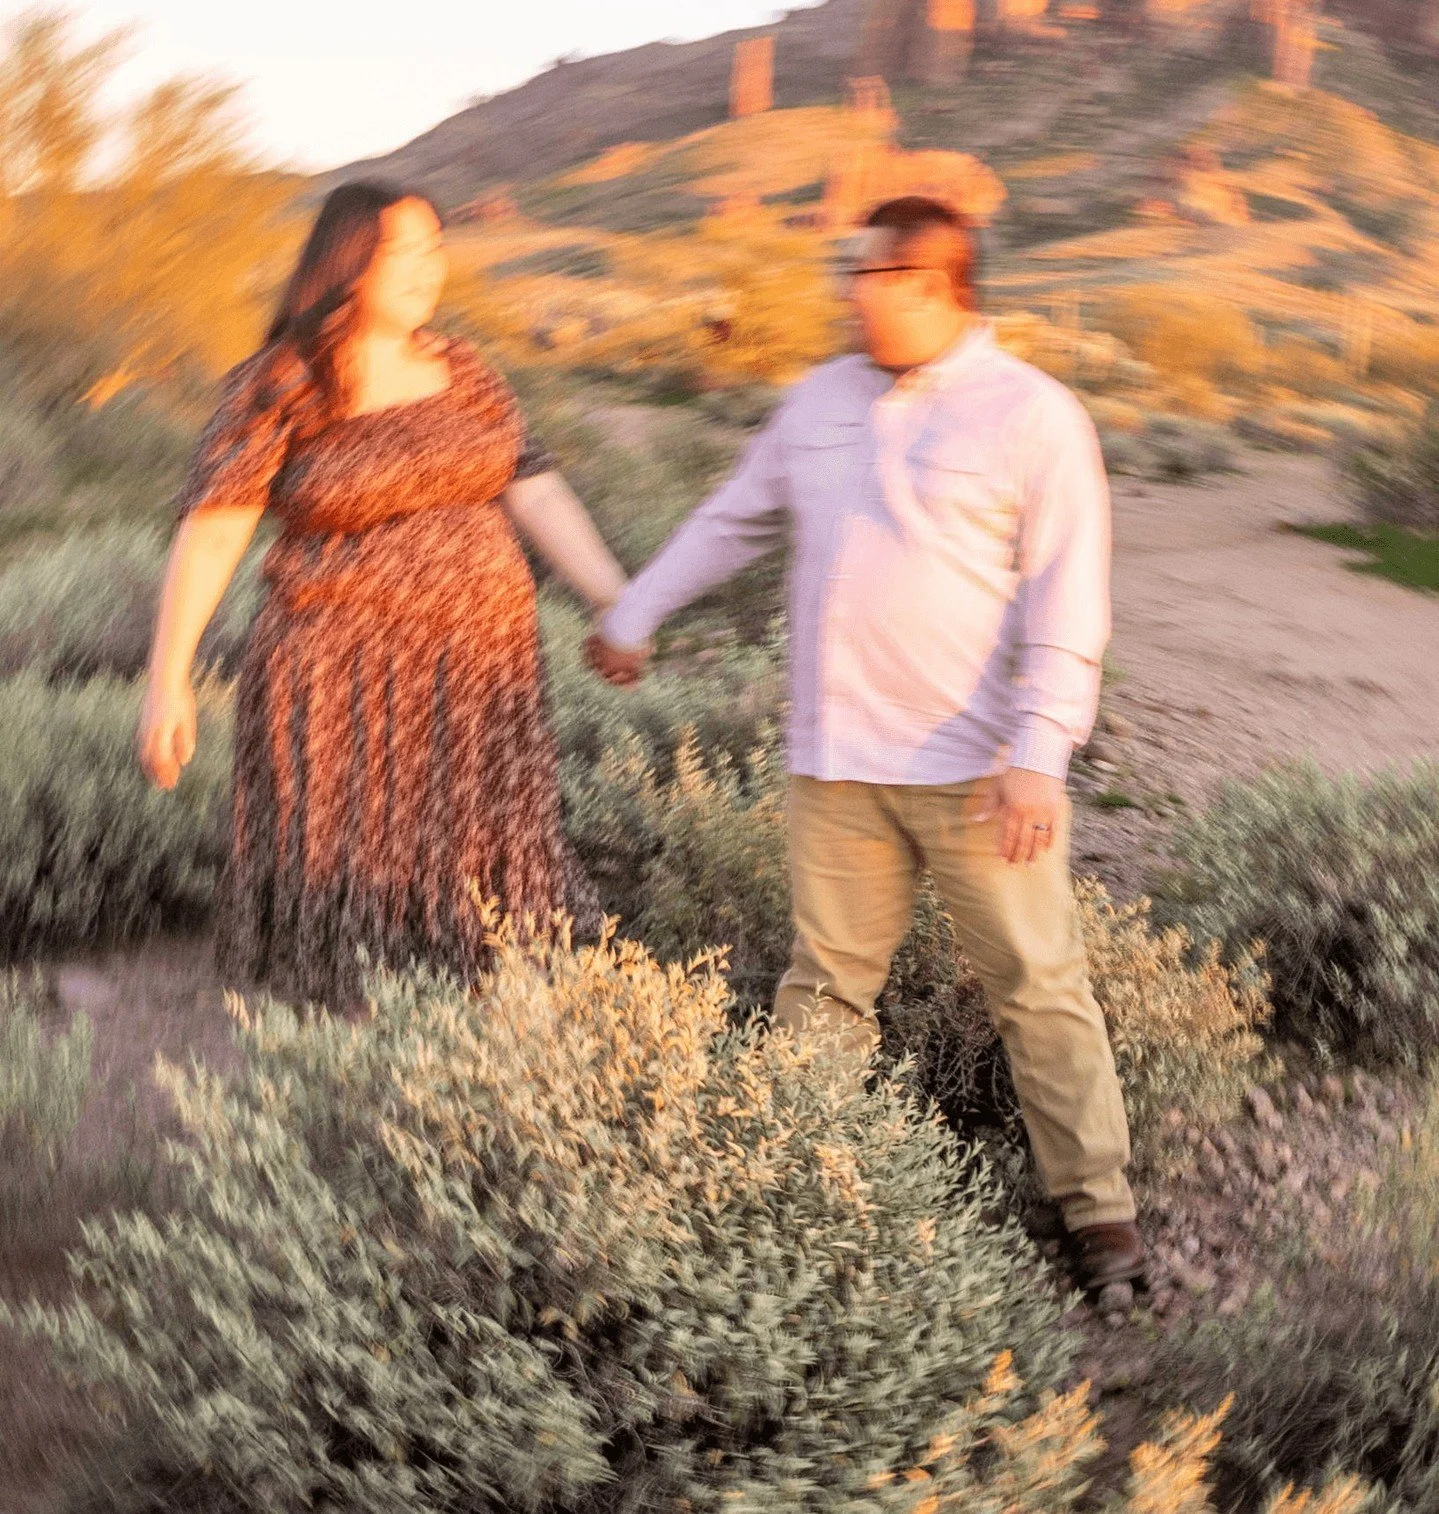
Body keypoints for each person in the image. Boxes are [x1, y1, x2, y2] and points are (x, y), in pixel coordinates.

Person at [586, 194, 1144, 1293]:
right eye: (852, 273)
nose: (851, 291)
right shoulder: (817, 399)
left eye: (871, 275)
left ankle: (1100, 1219)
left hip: (981, 772)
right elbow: (732, 516)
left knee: (1035, 985)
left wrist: (1038, 749)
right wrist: (636, 610)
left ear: (937, 285)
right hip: (834, 759)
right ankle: (795, 1195)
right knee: (826, 983)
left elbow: (1068, 595)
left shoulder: (1031, 414)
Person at [137, 180, 627, 1008]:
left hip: (480, 676)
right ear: (348, 262)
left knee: (480, 852)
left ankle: (480, 1034)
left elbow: (534, 487)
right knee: (350, 859)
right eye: (405, 250)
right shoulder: (283, 379)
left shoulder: (465, 368)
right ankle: (350, 1052)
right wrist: (167, 677)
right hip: (340, 675)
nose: (427, 267)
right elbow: (216, 528)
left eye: (436, 246)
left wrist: (615, 597)